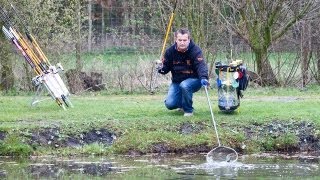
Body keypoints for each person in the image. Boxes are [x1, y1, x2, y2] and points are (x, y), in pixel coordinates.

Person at [157, 28, 209, 116]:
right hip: (177, 82)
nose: (182, 42)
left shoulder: (196, 51)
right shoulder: (170, 52)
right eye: (180, 40)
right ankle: (181, 103)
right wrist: (160, 68)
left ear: (189, 40)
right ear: (175, 40)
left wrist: (204, 77)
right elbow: (165, 69)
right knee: (170, 104)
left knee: (185, 85)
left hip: (194, 80)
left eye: (184, 40)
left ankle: (188, 111)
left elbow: (201, 66)